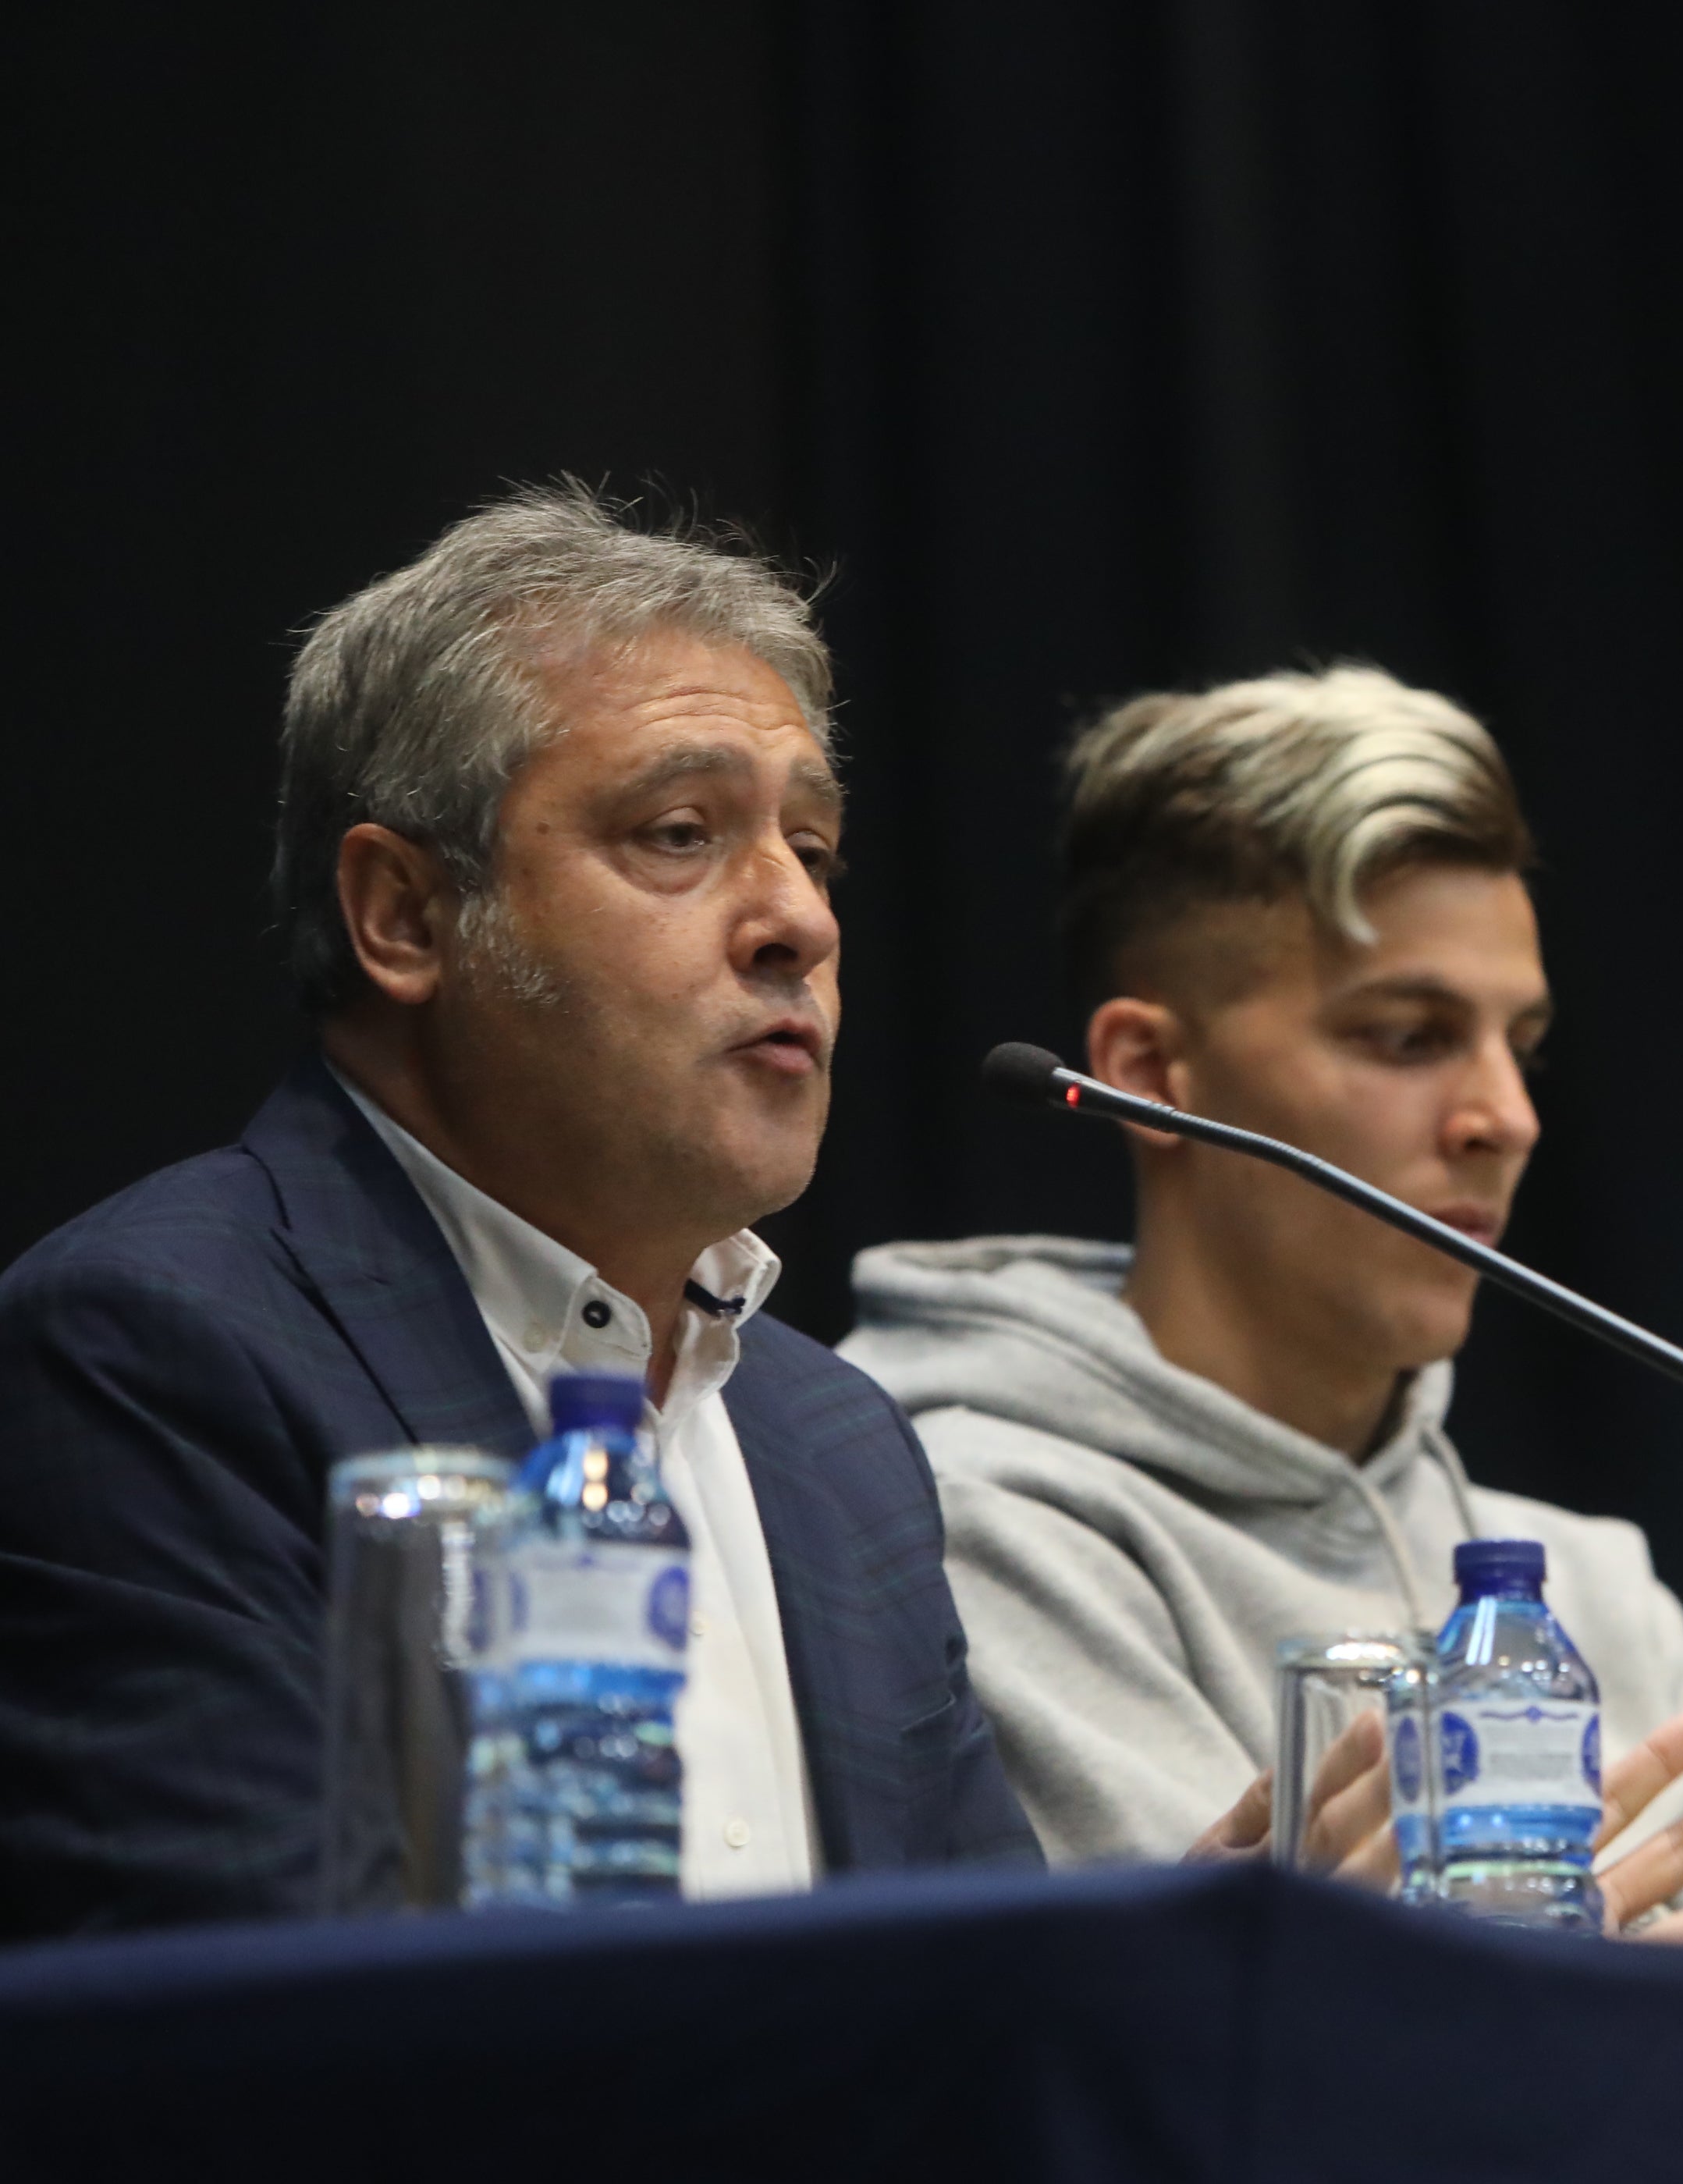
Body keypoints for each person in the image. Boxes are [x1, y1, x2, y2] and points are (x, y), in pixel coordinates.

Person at [0, 484, 1042, 1938]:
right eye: (682, 832)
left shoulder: (839, 1447)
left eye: (812, 849)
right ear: (407, 917)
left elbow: (977, 2020)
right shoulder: (157, 1355)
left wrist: (1205, 1974)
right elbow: (268, 2053)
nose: (796, 918)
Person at [840, 667, 1683, 1957]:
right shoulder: (976, 1525)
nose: (1508, 1116)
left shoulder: (1594, 1590)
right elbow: (1209, 2075)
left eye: (1520, 1044)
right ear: (1152, 1076)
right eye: (1406, 1036)